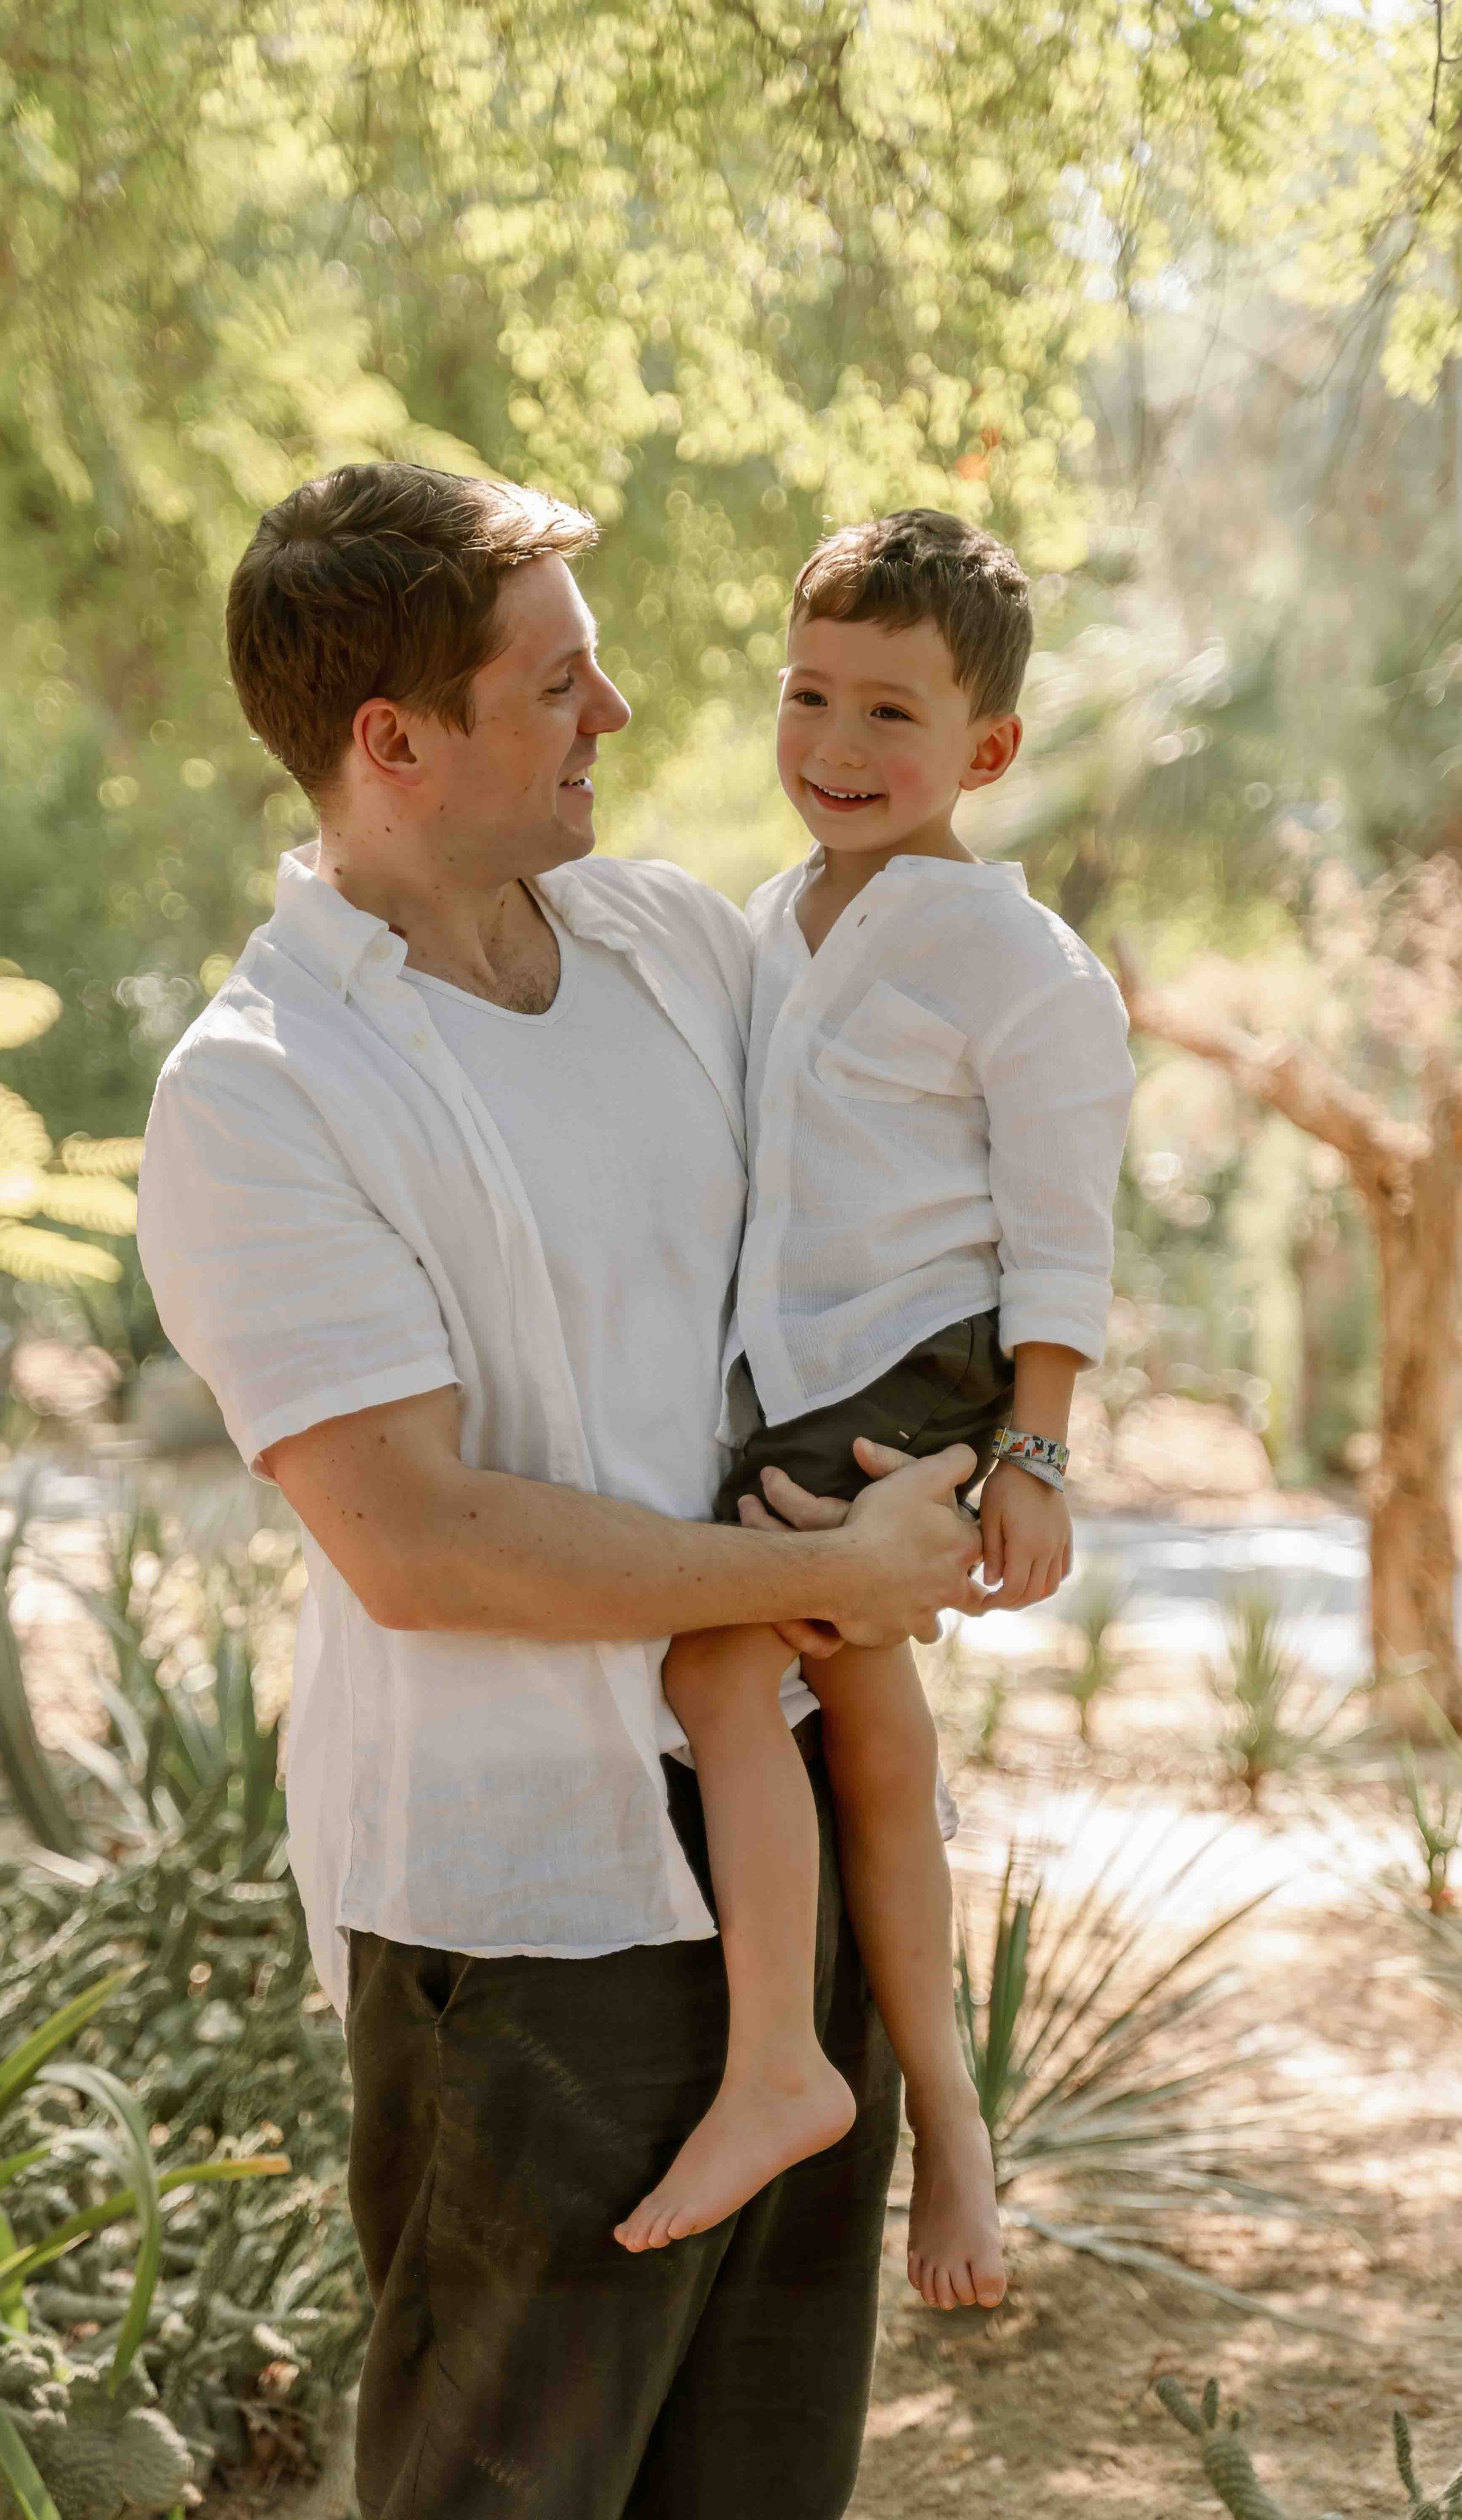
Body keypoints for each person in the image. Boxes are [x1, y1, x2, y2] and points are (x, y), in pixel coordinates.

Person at [135, 462, 988, 2520]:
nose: (613, 718)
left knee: (763, 2486)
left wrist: (990, 1448)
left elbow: (897, 1199)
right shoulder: (261, 1094)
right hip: (526, 1916)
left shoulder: (677, 946)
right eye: (556, 686)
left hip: (794, 1846)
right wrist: (829, 1579)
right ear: (393, 741)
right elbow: (417, 1541)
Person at [615, 513, 1136, 2313]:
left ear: (986, 751)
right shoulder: (773, 925)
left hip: (906, 1391)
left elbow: (1068, 1231)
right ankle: (950, 2131)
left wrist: (1036, 1454)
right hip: (799, 1386)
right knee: (880, 1756)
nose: (837, 747)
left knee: (709, 1675)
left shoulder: (1021, 965)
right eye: (808, 695)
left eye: (893, 716)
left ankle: (785, 2063)